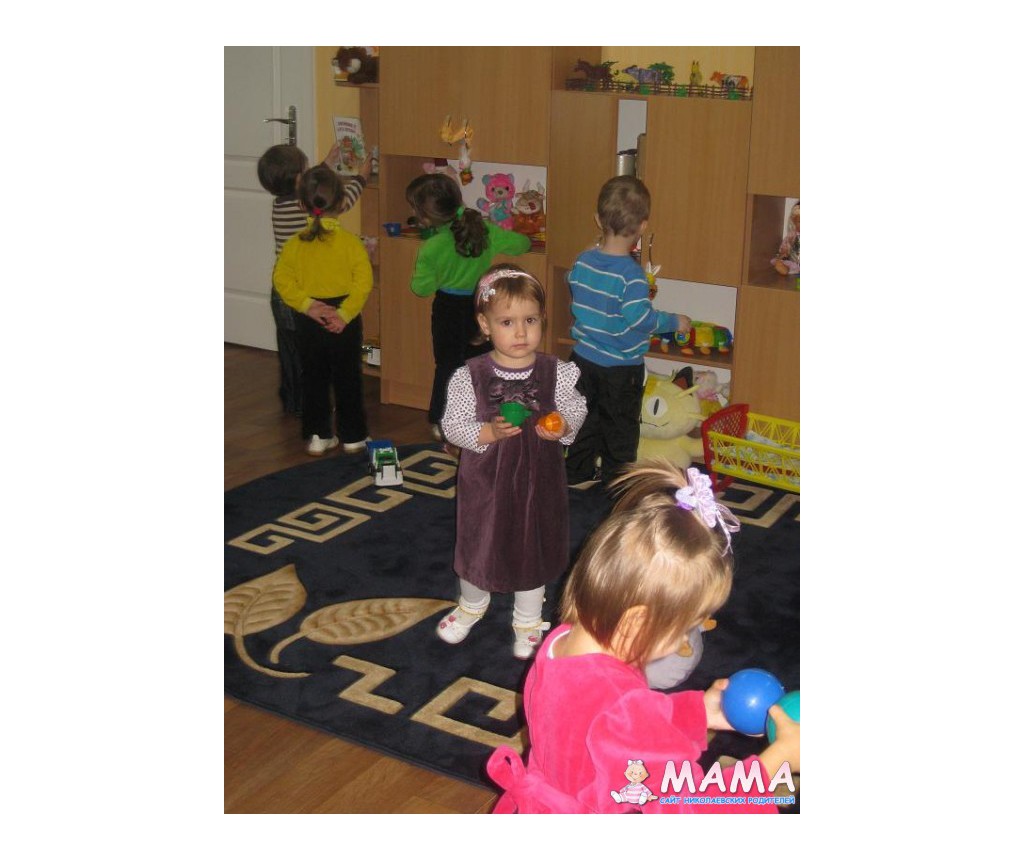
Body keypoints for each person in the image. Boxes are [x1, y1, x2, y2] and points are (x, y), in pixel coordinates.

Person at [485, 461, 800, 813]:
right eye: (686, 627)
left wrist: (698, 713)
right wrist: (776, 762)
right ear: (638, 622)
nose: (686, 640)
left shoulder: (560, 644)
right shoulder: (622, 704)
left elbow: (616, 727)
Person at [437, 265, 587, 659]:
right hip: (487, 481)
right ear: (484, 324)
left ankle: (528, 618)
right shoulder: (470, 375)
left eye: (530, 320)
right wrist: (486, 432)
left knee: (532, 545)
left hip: (540, 481)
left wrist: (563, 424)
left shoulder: (557, 372)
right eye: (507, 322)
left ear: (542, 320)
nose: (521, 332)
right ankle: (471, 604)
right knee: (478, 541)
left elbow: (576, 407)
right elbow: (452, 424)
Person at [564, 176, 692, 487]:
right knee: (620, 428)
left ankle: (576, 472)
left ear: (598, 219)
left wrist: (590, 253)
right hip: (620, 369)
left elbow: (573, 281)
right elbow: (641, 319)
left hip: (582, 360)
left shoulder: (583, 261)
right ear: (642, 226)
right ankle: (618, 485)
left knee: (583, 420)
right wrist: (674, 322)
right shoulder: (632, 276)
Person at [406, 173, 531, 439]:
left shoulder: (432, 246)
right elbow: (523, 244)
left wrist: (439, 272)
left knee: (447, 366)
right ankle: (484, 417)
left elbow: (421, 288)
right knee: (482, 364)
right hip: (480, 306)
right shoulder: (483, 230)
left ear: (426, 216)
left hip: (448, 309)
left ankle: (441, 421)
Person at [257, 143, 371, 415]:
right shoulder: (305, 209)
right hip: (303, 295)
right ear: (299, 179)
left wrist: (327, 163)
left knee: (290, 351)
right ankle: (310, 404)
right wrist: (361, 178)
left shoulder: (282, 204)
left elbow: (311, 191)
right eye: (307, 168)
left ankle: (293, 401)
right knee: (310, 353)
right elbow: (339, 202)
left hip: (282, 293)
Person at [272, 165, 373, 456]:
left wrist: (307, 305)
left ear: (302, 205)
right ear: (341, 203)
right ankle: (353, 436)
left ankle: (318, 435)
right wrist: (344, 314)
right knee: (348, 377)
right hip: (344, 317)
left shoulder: (294, 245)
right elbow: (363, 283)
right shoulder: (351, 243)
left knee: (313, 377)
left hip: (309, 318)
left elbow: (281, 280)